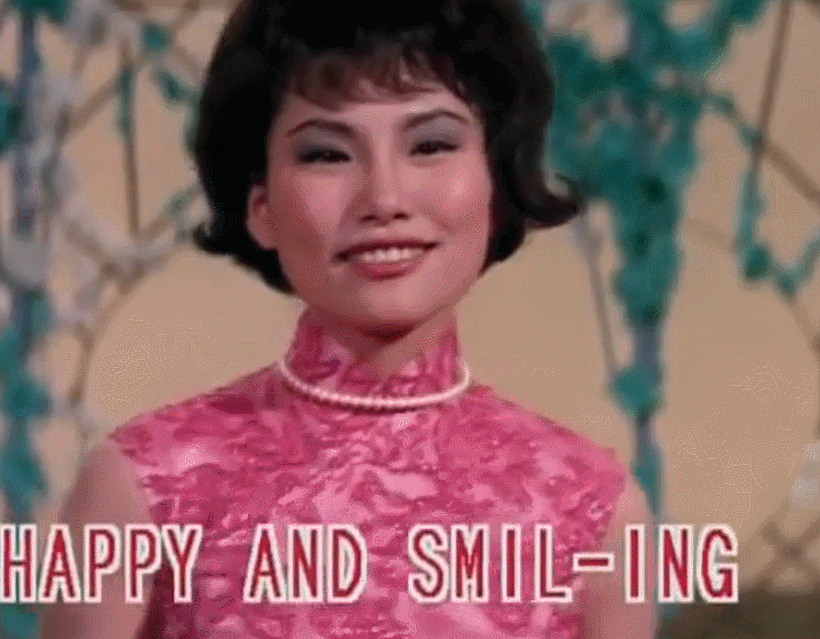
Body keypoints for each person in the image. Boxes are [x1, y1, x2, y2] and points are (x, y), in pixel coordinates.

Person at [41, 0, 656, 637]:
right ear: (260, 206)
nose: (384, 199)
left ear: (497, 186)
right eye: (327, 155)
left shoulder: (595, 509)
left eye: (431, 145)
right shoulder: (141, 486)